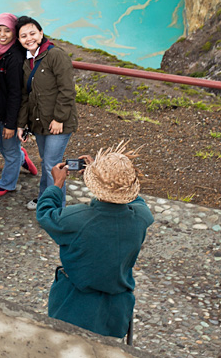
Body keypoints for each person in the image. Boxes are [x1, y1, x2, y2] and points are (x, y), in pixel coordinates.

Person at [37, 142, 153, 338]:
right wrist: (107, 177)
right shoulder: (141, 217)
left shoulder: (78, 218)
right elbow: (135, 200)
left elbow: (45, 214)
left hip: (74, 305)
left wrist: (57, 184)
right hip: (116, 307)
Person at [16, 15, 77, 210]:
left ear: (41, 33)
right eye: (23, 35)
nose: (29, 38)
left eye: (33, 33)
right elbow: (26, 96)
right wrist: (21, 124)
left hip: (59, 122)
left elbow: (67, 89)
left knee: (52, 164)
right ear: (18, 40)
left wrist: (59, 118)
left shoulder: (55, 55)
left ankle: (55, 209)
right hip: (39, 122)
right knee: (48, 163)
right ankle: (44, 198)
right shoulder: (28, 62)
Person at [0, 13, 38, 198]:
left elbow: (16, 94)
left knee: (10, 151)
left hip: (6, 112)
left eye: (7, 31)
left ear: (14, 32)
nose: (2, 35)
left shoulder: (14, 58)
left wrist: (11, 124)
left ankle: (7, 183)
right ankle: (23, 158)